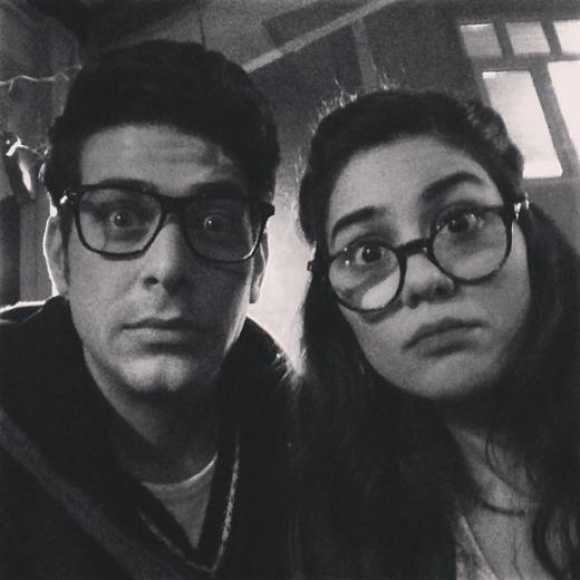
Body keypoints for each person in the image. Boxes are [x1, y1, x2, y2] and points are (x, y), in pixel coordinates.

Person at [0, 40, 295, 580]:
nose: (169, 266)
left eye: (214, 223)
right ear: (60, 255)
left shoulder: (331, 458)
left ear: (256, 266)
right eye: (121, 217)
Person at [296, 89, 580, 579]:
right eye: (367, 253)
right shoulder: (337, 528)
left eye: (460, 223)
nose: (425, 279)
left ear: (527, 238)